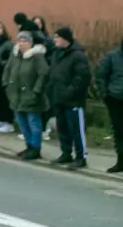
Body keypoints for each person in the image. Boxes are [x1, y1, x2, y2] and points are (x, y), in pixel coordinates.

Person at [48, 26, 90, 170]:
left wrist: (70, 91)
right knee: (63, 128)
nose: (54, 40)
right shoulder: (56, 54)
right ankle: (66, 153)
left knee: (77, 129)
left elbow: (82, 78)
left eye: (57, 37)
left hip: (73, 100)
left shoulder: (78, 55)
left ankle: (81, 157)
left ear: (65, 39)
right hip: (58, 98)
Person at [4, 30, 48, 160]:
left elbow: (43, 74)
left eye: (25, 41)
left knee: (33, 122)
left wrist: (36, 90)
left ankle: (36, 148)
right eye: (20, 41)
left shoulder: (37, 57)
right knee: (22, 122)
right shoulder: (15, 56)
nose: (22, 44)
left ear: (30, 43)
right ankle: (28, 145)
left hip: (31, 96)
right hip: (16, 96)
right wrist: (6, 84)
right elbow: (8, 69)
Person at [96, 37, 123, 174]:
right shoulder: (113, 56)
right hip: (116, 99)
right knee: (119, 131)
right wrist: (105, 94)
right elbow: (101, 76)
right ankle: (121, 161)